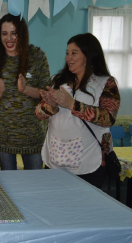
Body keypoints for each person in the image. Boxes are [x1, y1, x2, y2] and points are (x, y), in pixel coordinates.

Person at [36, 33, 120, 188]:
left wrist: (72, 104)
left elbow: (109, 117)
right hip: (55, 158)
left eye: (74, 53)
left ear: (88, 56)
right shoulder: (58, 80)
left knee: (85, 209)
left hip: (89, 163)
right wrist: (50, 106)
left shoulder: (106, 83)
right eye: (67, 53)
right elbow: (39, 114)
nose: (68, 58)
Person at [0, 13, 50, 170]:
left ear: (22, 34)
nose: (9, 39)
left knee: (34, 183)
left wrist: (25, 89)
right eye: (4, 34)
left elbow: (46, 93)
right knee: (9, 185)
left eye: (14, 33)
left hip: (32, 133)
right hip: (5, 134)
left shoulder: (37, 56)